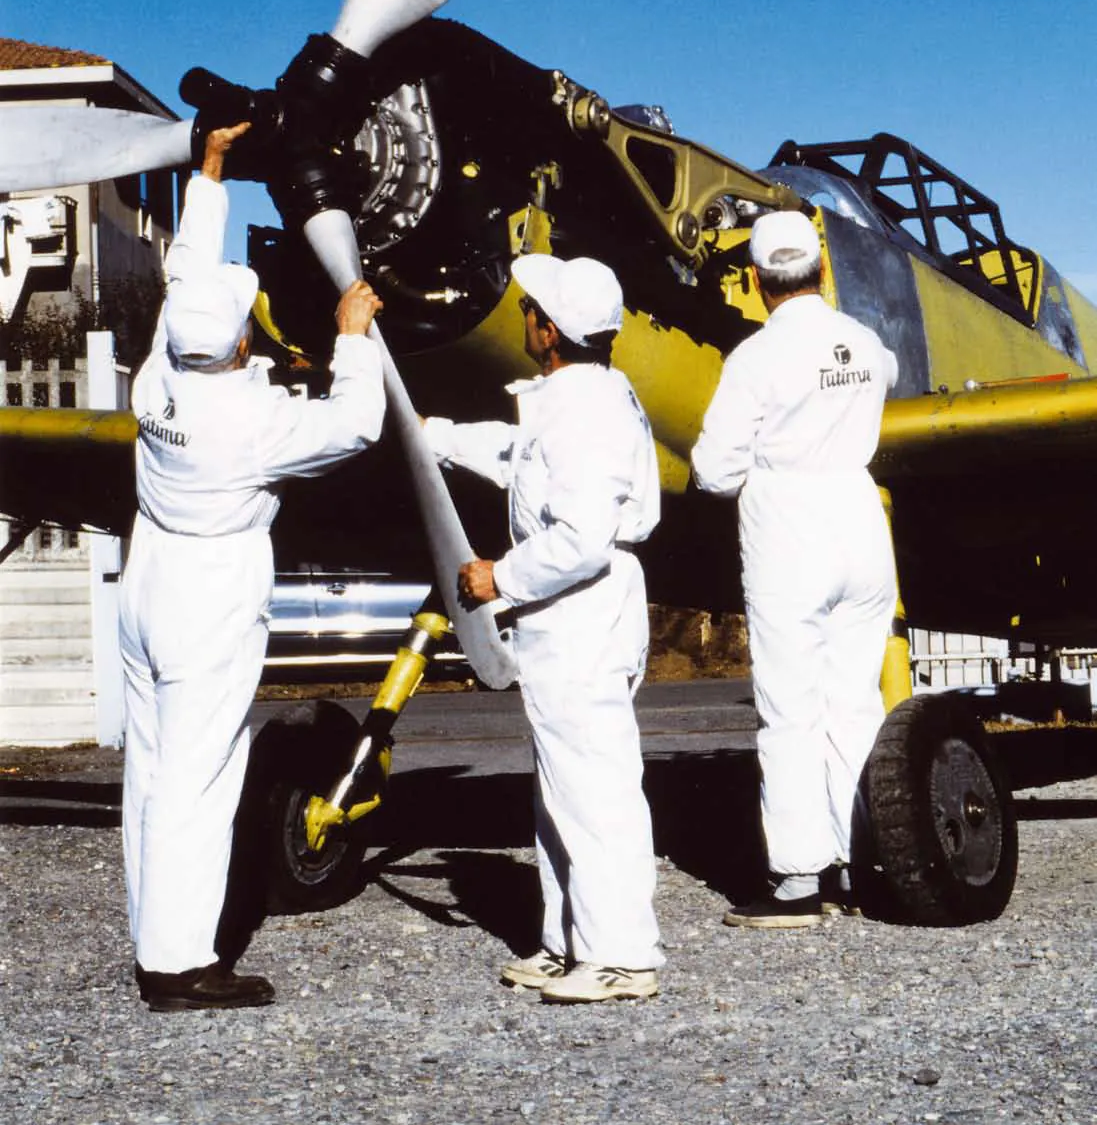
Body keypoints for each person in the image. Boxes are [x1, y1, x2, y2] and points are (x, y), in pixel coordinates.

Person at [120, 122, 386, 1012]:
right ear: (240, 344)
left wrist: (211, 169)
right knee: (199, 776)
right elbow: (355, 424)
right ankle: (180, 965)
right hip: (208, 588)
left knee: (154, 768)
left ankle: (153, 932)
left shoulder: (159, 374)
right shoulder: (252, 422)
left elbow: (184, 274)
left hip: (149, 573)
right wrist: (352, 330)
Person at [423, 254, 664, 1002]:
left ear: (549, 328)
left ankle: (622, 953)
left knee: (595, 784)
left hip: (581, 603)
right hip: (571, 609)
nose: (522, 316)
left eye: (530, 308)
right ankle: (569, 942)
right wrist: (429, 433)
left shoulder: (585, 410)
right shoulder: (573, 397)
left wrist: (502, 577)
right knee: (563, 783)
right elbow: (516, 454)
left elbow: (582, 533)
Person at [691, 210, 898, 928]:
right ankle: (863, 859)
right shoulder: (866, 344)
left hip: (791, 530)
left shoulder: (753, 358)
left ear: (754, 279)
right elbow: (883, 378)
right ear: (820, 269)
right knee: (854, 702)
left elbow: (714, 471)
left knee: (788, 713)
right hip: (861, 522)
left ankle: (795, 881)